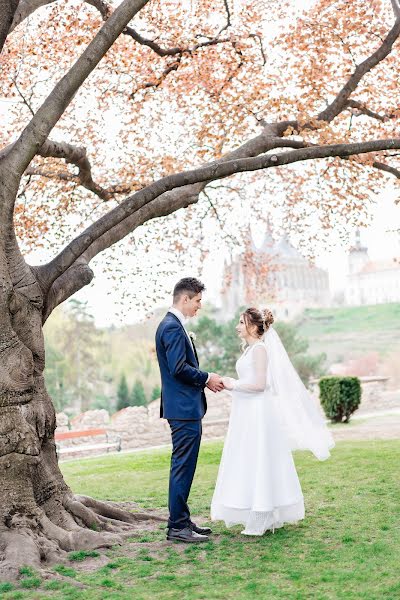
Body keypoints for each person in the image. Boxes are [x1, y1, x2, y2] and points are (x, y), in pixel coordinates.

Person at [211, 307, 334, 536]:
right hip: (247, 411)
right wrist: (233, 386)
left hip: (258, 412)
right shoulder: (249, 351)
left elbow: (260, 385)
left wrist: (231, 383)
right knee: (250, 458)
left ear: (254, 326)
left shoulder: (259, 349)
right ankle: (258, 511)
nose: (237, 326)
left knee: (260, 458)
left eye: (241, 322)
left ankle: (263, 512)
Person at [156, 277, 224, 543]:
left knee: (184, 466)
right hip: (183, 410)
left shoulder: (174, 325)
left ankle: (182, 520)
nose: (199, 307)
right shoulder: (172, 327)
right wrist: (207, 377)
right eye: (197, 301)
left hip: (185, 408)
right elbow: (178, 368)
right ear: (185, 299)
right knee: (182, 467)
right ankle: (177, 527)